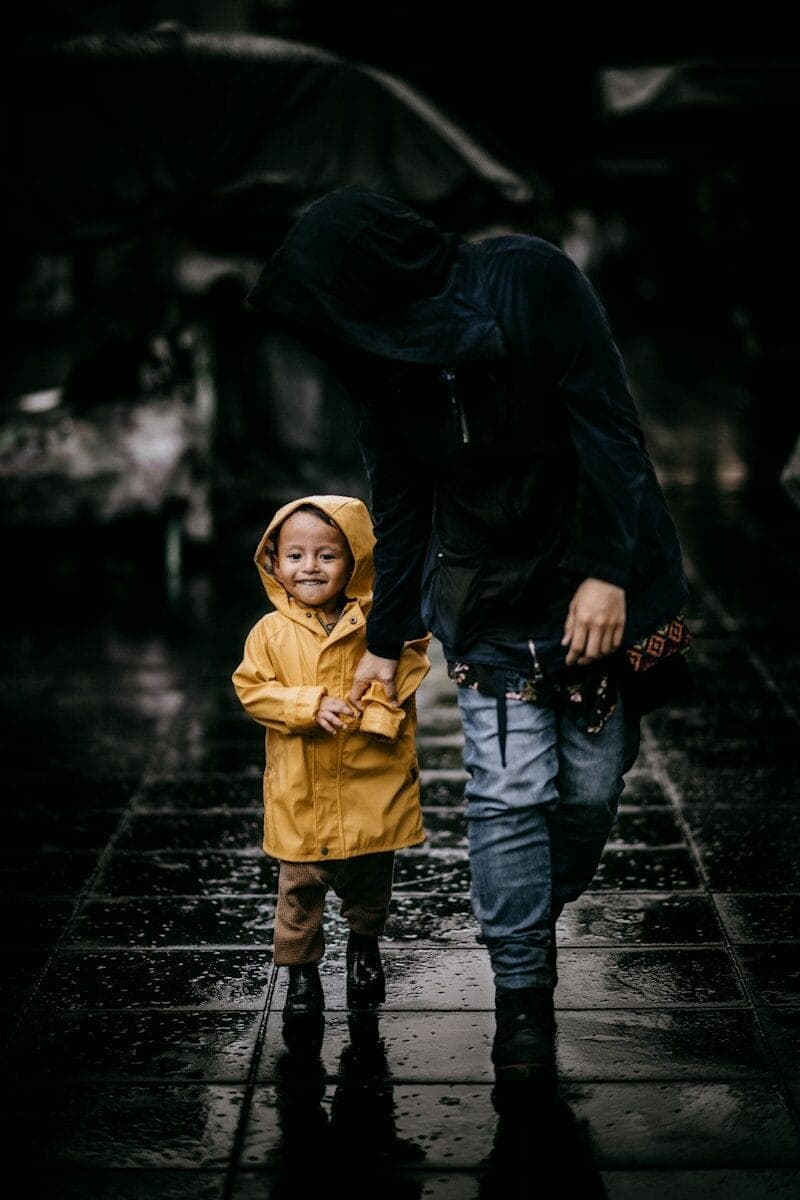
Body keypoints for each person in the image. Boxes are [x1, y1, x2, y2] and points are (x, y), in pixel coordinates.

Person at [246, 189, 692, 1081]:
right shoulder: (381, 366)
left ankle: (526, 913)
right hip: (488, 600)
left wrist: (606, 572)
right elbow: (402, 504)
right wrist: (385, 640)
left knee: (588, 798)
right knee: (507, 796)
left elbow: (611, 433)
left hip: (597, 581)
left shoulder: (531, 279)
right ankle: (521, 998)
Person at [232, 494, 431, 1027]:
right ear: (274, 563)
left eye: (327, 555)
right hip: (302, 787)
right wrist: (306, 705)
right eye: (295, 556)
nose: (310, 567)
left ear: (356, 561)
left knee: (371, 878)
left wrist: (380, 702)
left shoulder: (380, 624)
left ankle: (364, 946)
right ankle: (301, 972)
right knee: (299, 888)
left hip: (370, 778)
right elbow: (252, 690)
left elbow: (411, 661)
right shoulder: (269, 633)